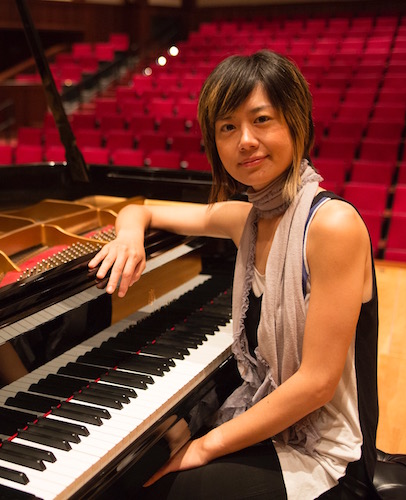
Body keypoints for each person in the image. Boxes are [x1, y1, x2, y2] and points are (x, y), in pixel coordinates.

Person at [88, 50, 378, 499]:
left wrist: (207, 445)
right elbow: (139, 210)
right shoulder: (245, 219)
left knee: (155, 491)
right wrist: (128, 236)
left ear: (296, 122)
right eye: (228, 127)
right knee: (126, 473)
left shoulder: (331, 226)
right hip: (271, 423)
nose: (245, 140)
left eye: (262, 120)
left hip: (325, 454)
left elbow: (317, 383)